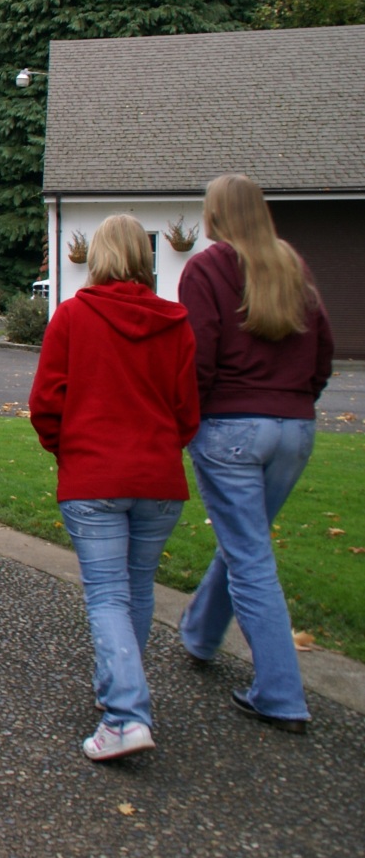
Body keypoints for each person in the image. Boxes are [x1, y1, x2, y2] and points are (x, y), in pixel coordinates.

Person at [29, 215, 199, 761]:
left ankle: (126, 714)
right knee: (137, 589)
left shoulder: (73, 316)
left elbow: (46, 402)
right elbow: (187, 409)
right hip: (158, 477)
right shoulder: (176, 323)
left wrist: (67, 449)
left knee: (107, 594)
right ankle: (118, 690)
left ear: (98, 256)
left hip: (94, 476)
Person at [177, 174, 333, 733]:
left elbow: (198, 356)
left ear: (215, 214)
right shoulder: (291, 265)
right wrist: (295, 401)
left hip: (232, 428)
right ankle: (200, 634)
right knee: (246, 543)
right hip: (294, 428)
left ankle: (281, 694)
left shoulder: (207, 268)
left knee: (249, 556)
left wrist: (187, 420)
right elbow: (323, 350)